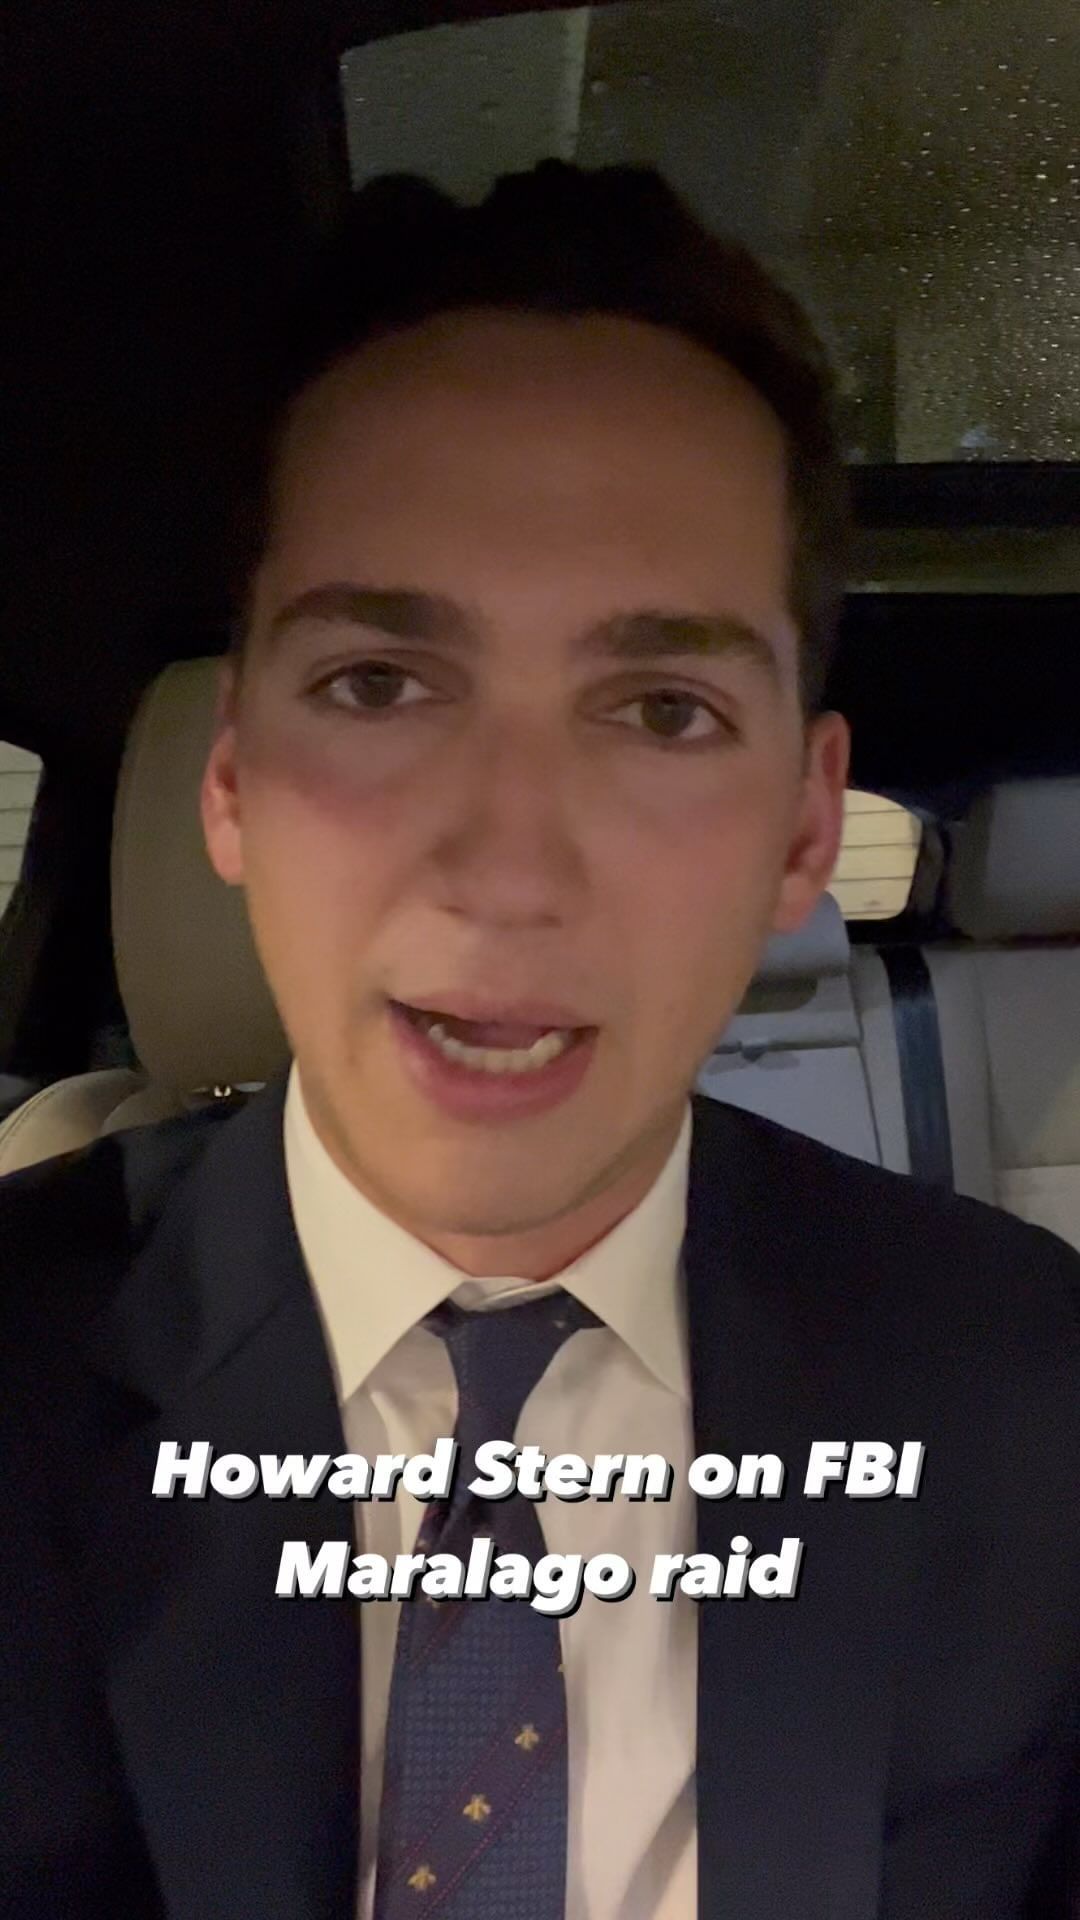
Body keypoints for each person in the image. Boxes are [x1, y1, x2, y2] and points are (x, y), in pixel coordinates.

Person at [1, 161, 1077, 1920]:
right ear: (233, 780)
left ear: (805, 827)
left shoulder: (1028, 1395)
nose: (508, 872)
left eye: (661, 711)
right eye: (378, 685)